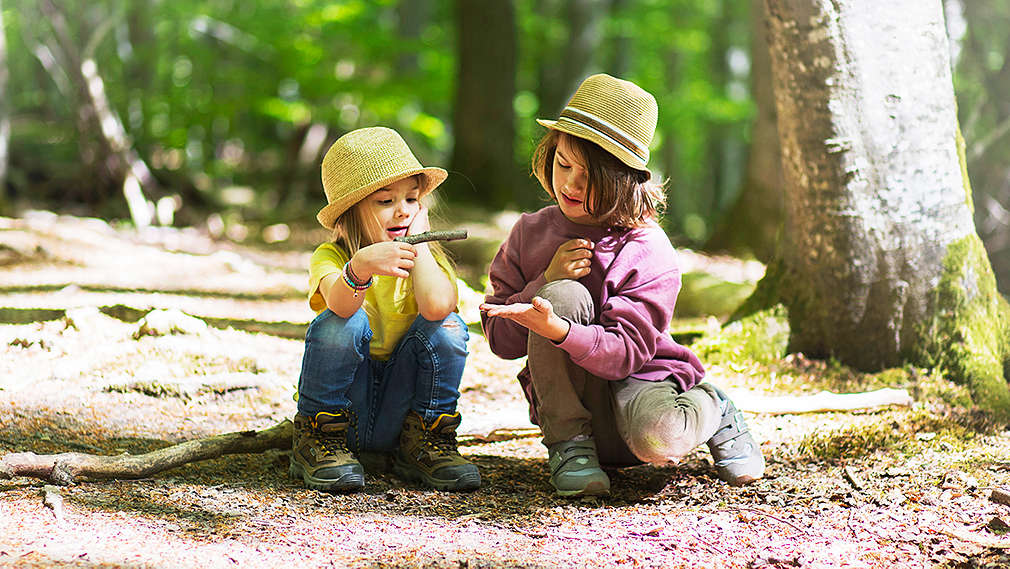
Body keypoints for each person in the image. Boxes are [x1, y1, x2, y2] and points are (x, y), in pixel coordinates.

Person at [480, 74, 764, 497]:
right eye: (563, 164)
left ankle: (715, 407)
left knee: (659, 438)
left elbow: (626, 356)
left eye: (589, 175)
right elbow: (501, 340)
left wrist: (560, 331)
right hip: (572, 410)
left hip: (640, 387)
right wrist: (544, 281)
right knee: (561, 295)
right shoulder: (529, 233)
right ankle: (569, 447)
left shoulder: (646, 248)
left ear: (623, 179)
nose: (570, 185)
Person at [291, 126, 479, 493]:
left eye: (411, 200)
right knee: (342, 322)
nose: (402, 212)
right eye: (384, 201)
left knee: (449, 326)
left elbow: (439, 307)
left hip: (402, 407)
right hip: (347, 409)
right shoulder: (333, 257)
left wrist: (421, 248)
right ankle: (317, 439)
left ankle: (427, 440)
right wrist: (359, 268)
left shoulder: (426, 262)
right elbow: (340, 306)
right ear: (348, 215)